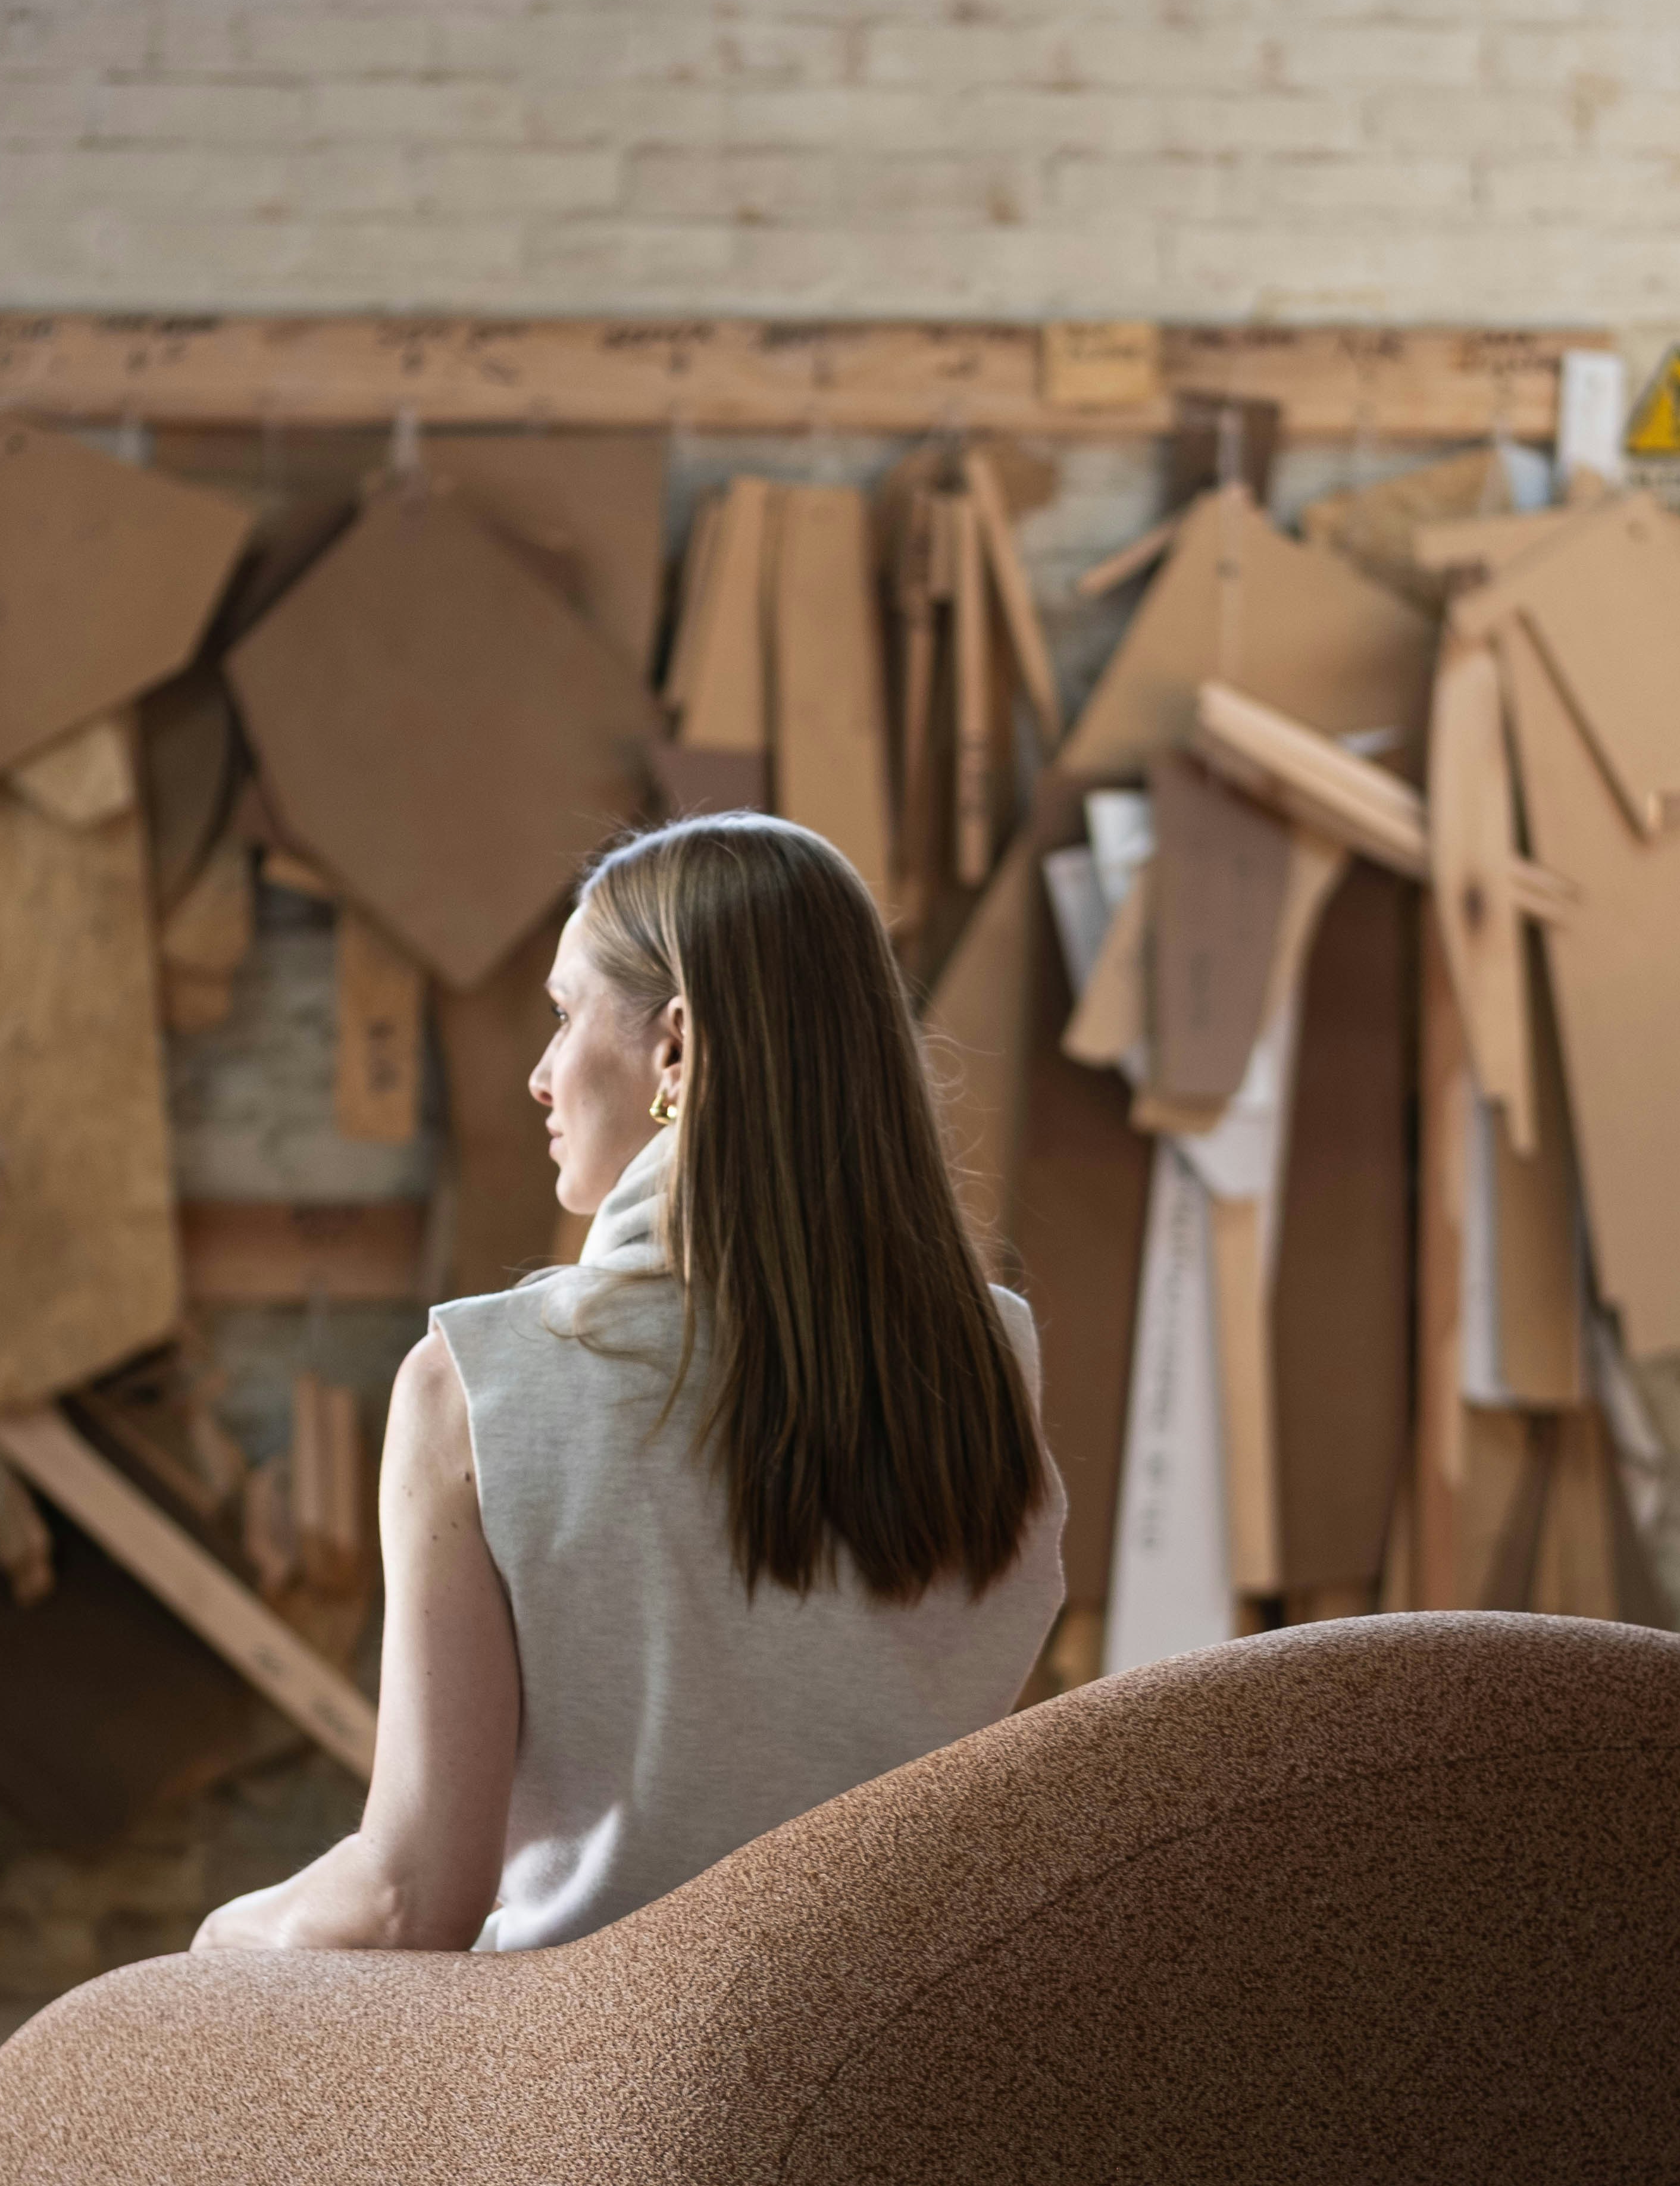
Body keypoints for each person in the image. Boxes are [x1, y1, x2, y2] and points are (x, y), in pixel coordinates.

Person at [193, 812, 1067, 1960]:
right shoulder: (991, 1356)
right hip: (908, 2038)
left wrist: (214, 1944)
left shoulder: (477, 1384)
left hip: (599, 2059)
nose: (539, 1076)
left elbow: (413, 1902)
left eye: (565, 1016)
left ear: (677, 1049)